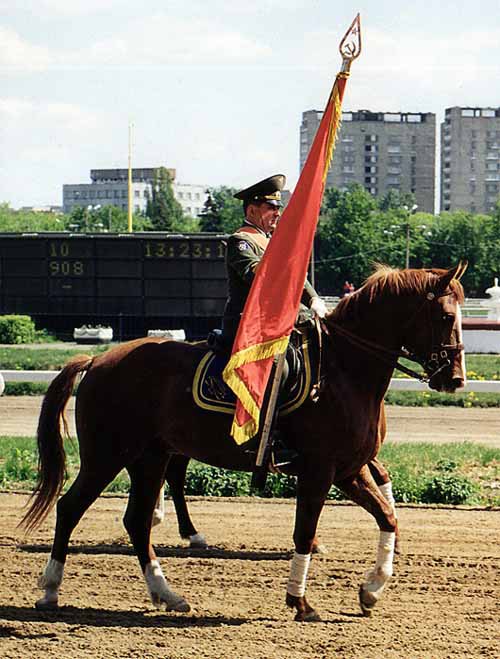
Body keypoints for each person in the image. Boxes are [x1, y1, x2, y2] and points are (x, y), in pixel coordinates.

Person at [222, 173, 327, 468]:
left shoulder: (273, 242)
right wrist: (285, 260)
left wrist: (314, 300)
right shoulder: (240, 241)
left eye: (278, 209)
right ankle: (270, 440)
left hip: (277, 327)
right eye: (271, 208)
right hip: (248, 329)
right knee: (276, 371)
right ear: (252, 209)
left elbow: (295, 275)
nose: (277, 214)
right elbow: (259, 276)